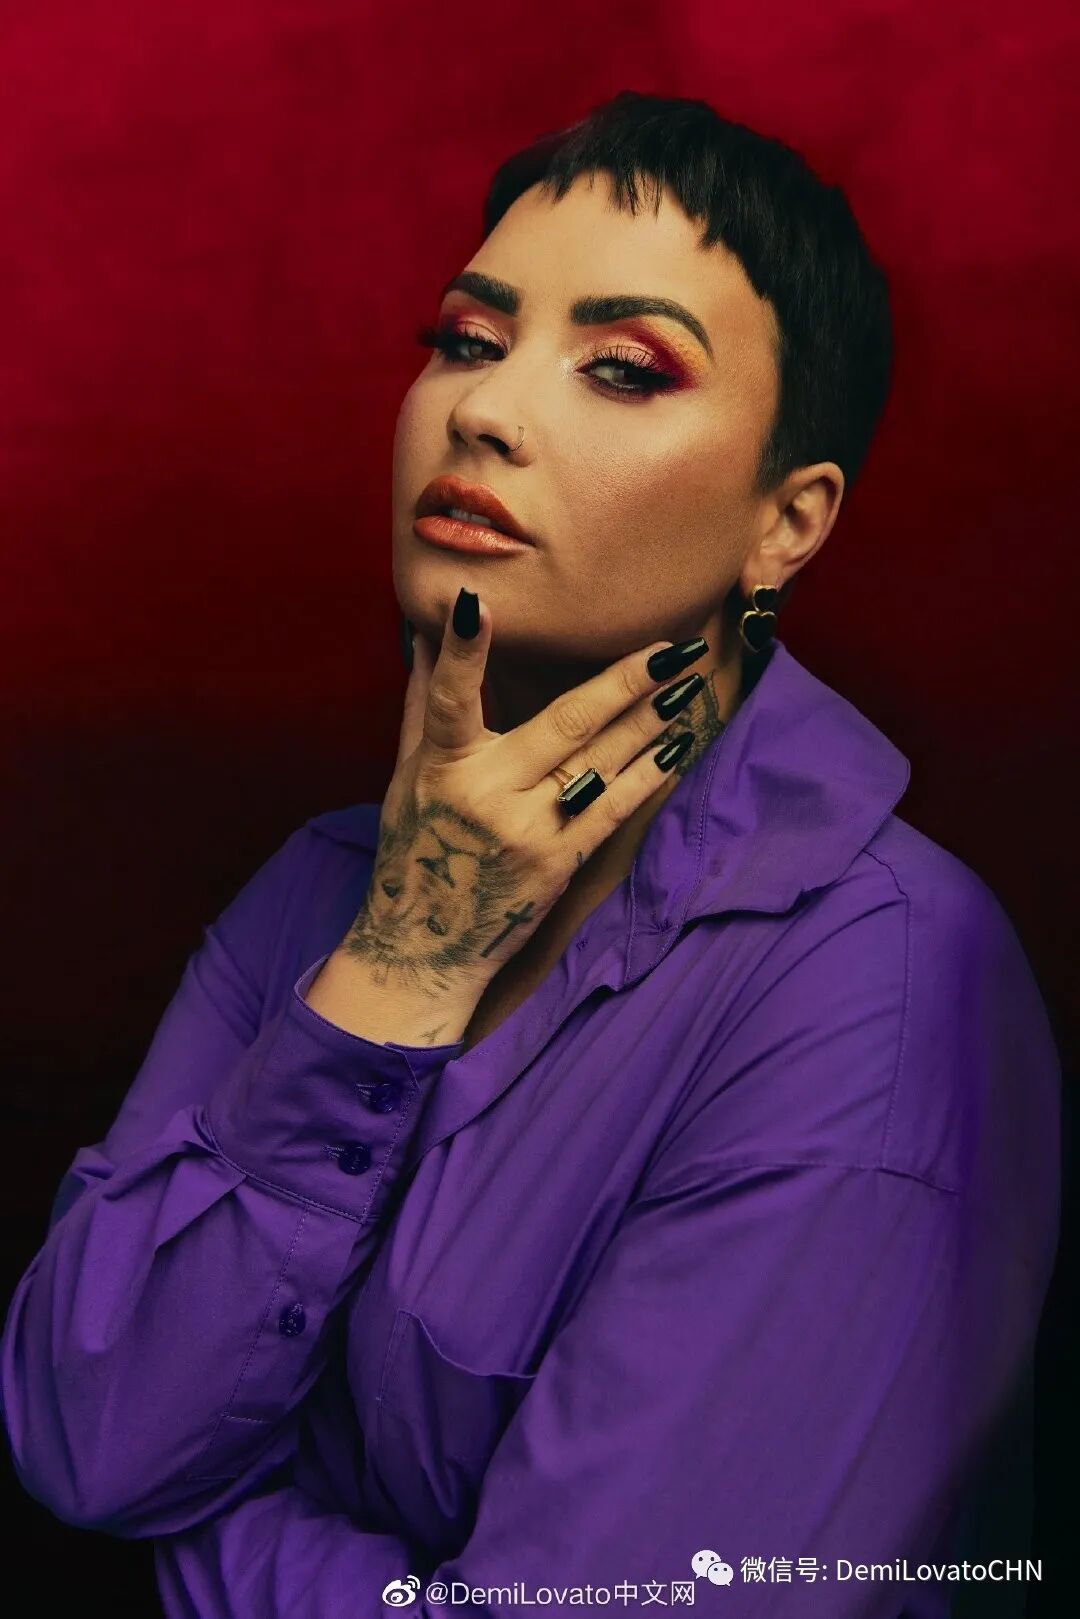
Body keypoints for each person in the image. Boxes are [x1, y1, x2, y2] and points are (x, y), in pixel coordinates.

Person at [1, 91, 1061, 1617]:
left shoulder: (884, 986)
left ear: (787, 524)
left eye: (624, 368)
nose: (485, 410)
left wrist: (207, 1532)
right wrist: (404, 955)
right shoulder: (316, 887)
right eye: (467, 339)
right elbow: (87, 1442)